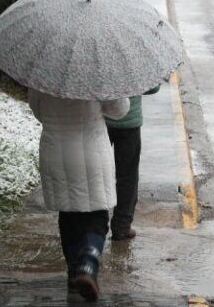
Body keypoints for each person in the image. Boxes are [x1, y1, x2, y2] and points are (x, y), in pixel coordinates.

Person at [28, 89, 129, 301]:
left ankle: (74, 274)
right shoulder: (97, 73)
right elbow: (120, 110)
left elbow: (38, 111)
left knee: (68, 215)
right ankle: (87, 264)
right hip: (91, 150)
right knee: (97, 217)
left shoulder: (44, 75)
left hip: (55, 151)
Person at [105, 85, 160, 240]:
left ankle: (97, 224)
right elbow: (153, 87)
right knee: (127, 176)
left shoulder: (95, 61)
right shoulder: (135, 61)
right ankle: (122, 227)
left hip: (100, 123)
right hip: (130, 122)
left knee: (98, 174)